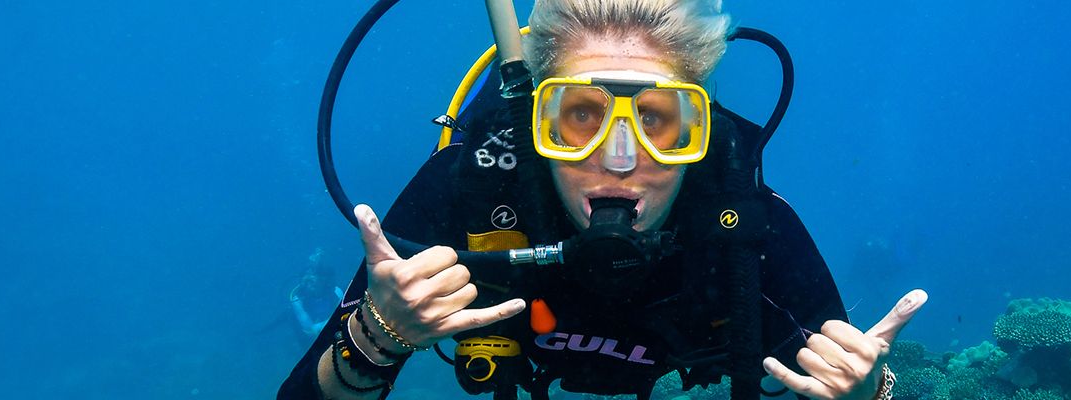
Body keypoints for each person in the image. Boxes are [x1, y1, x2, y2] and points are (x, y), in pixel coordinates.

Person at [279, 1, 928, 399]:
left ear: (699, 133)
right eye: (583, 116)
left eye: (657, 119)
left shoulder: (745, 233)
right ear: (538, 121)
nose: (620, 159)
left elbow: (853, 381)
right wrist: (375, 338)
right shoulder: (471, 192)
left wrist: (867, 393)